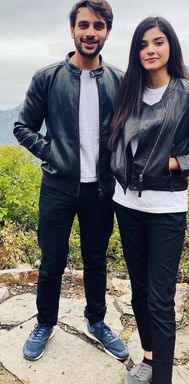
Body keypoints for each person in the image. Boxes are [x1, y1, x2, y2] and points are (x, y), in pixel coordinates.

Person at [109, 16, 189, 384]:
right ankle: (148, 357)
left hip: (166, 209)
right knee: (138, 290)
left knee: (160, 296)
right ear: (136, 51)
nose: (150, 49)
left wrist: (176, 163)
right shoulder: (128, 93)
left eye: (158, 42)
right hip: (126, 203)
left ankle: (162, 382)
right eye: (143, 44)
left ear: (170, 47)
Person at [13, 0, 128, 362]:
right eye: (83, 25)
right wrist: (52, 153)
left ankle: (97, 320)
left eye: (98, 26)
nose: (90, 32)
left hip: (101, 191)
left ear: (107, 31)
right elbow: (22, 127)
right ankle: (45, 323)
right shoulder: (48, 78)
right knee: (52, 260)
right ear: (72, 30)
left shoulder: (118, 80)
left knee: (96, 260)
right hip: (58, 189)